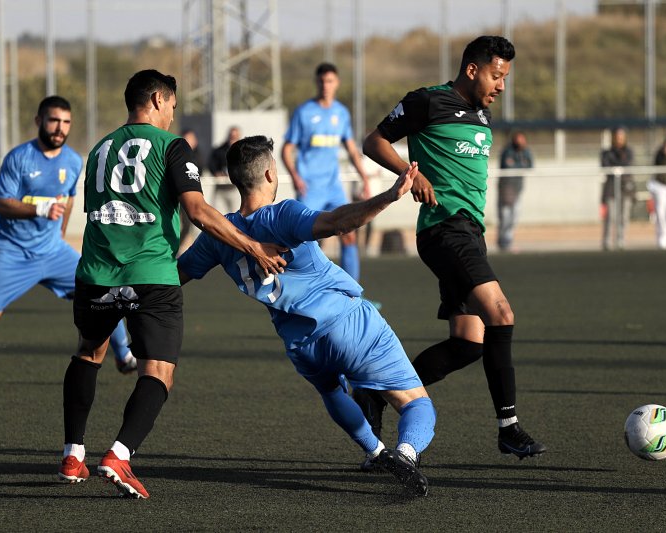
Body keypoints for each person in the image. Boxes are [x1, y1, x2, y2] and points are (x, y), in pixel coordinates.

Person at [59, 70, 286, 499]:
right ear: (158, 99)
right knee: (159, 371)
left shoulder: (100, 147)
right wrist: (253, 247)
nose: (172, 115)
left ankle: (73, 454)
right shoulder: (172, 146)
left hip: (95, 273)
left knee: (88, 353)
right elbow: (197, 211)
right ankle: (119, 454)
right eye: (173, 106)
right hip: (151, 275)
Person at [178, 136, 435, 497]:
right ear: (271, 173)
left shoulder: (218, 236)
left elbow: (177, 274)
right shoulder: (282, 214)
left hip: (300, 343)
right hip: (346, 324)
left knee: (332, 391)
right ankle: (405, 455)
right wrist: (390, 196)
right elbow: (338, 223)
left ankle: (376, 452)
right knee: (416, 403)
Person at [359, 35, 546, 462]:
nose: (501, 85)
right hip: (445, 231)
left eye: (505, 78)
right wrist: (412, 174)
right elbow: (374, 142)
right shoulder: (427, 101)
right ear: (472, 70)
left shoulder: (482, 115)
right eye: (496, 76)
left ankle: (376, 390)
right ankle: (509, 428)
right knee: (501, 314)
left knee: (468, 343)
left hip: (470, 234)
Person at [0, 96, 135, 393]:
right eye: (54, 120)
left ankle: (123, 355)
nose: (60, 128)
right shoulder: (19, 158)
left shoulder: (73, 161)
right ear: (39, 121)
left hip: (52, 251)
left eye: (66, 122)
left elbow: (69, 200)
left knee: (102, 288)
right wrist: (41, 209)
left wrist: (60, 235)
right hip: (10, 252)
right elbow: (2, 203)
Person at [282, 63, 372, 285]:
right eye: (322, 81)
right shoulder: (304, 112)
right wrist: (295, 176)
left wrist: (365, 178)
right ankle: (300, 288)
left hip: (333, 188)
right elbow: (286, 149)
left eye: (330, 81)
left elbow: (351, 149)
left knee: (349, 233)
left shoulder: (341, 113)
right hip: (310, 188)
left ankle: (352, 292)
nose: (325, 85)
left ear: (337, 83)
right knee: (305, 242)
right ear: (317, 82)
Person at [600, 126, 635, 251]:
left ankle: (621, 239)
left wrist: (618, 166)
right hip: (611, 186)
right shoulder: (606, 152)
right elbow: (606, 165)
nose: (619, 139)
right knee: (611, 215)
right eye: (617, 136)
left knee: (624, 215)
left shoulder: (628, 152)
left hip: (625, 186)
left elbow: (627, 164)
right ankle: (607, 241)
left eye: (621, 136)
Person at [497, 131, 533, 252]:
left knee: (515, 215)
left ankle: (507, 240)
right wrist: (521, 164)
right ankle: (503, 242)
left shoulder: (525, 151)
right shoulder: (507, 151)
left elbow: (530, 165)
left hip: (518, 188)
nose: (521, 142)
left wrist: (517, 164)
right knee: (505, 215)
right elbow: (507, 166)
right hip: (506, 187)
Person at [178, 128, 204, 253]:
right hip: (177, 196)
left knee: (189, 225)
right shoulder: (176, 154)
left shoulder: (197, 155)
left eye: (191, 139)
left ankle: (178, 248)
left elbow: (201, 170)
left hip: (191, 196)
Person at [207, 126, 243, 215]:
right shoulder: (219, 150)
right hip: (221, 187)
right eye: (232, 136)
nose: (233, 138)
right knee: (218, 213)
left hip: (235, 188)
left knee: (237, 214)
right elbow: (211, 164)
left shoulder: (243, 151)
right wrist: (217, 173)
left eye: (235, 136)